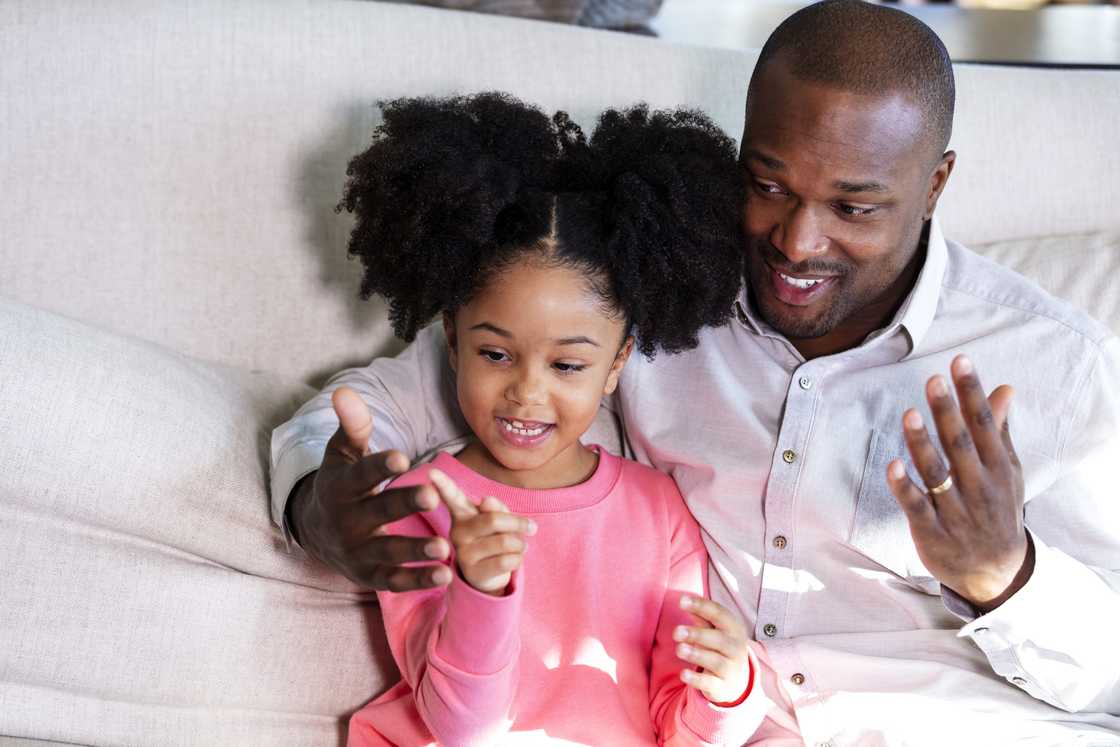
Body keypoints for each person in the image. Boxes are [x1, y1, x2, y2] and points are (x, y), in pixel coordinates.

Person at [271, 1, 1120, 743]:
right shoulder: (654, 283)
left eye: (854, 208)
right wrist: (320, 508)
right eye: (769, 184)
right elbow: (374, 408)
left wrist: (1003, 575)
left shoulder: (1051, 363)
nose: (798, 241)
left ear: (935, 183)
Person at [329, 92, 800, 745]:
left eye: (568, 366)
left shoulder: (660, 512)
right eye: (496, 353)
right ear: (452, 338)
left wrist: (728, 690)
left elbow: (683, 732)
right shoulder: (423, 502)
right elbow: (461, 725)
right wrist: (480, 588)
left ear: (616, 364)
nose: (526, 392)